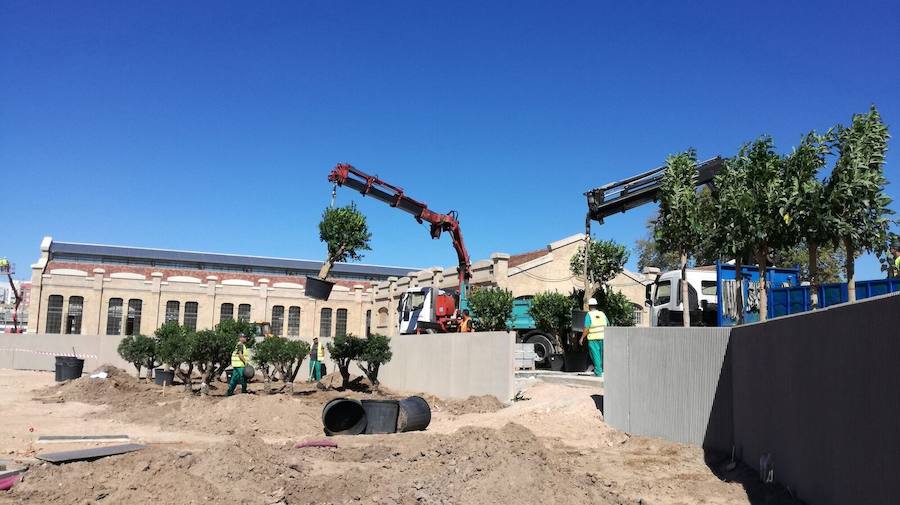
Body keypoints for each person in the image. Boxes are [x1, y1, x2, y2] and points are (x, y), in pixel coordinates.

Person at [580, 297, 608, 377]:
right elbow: (608, 324)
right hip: (603, 338)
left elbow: (586, 328)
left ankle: (598, 373)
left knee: (595, 355)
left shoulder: (589, 315)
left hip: (593, 339)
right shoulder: (602, 314)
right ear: (596, 305)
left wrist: (582, 338)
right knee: (602, 355)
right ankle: (601, 370)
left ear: (589, 306)